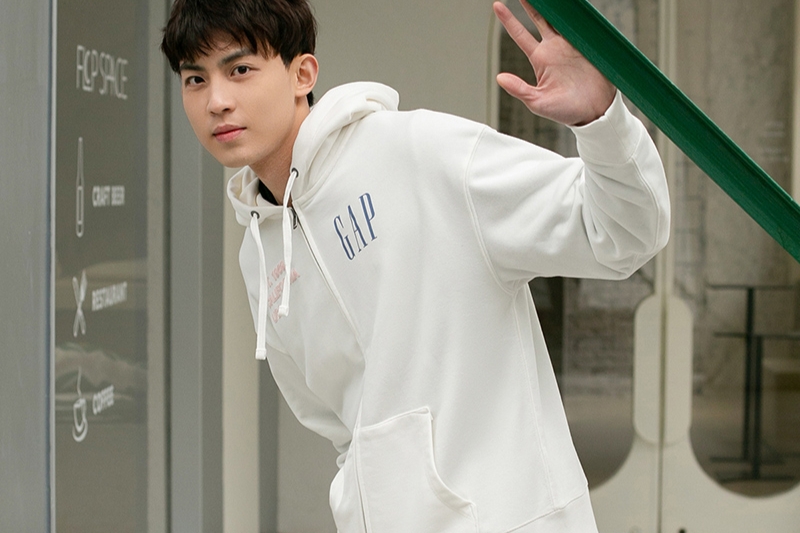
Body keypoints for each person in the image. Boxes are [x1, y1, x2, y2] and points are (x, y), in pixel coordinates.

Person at [161, 0, 670, 531]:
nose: (216, 101)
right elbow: (341, 427)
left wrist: (598, 120)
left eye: (240, 70)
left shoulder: (419, 154)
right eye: (195, 79)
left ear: (302, 74)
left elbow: (624, 233)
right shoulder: (258, 254)